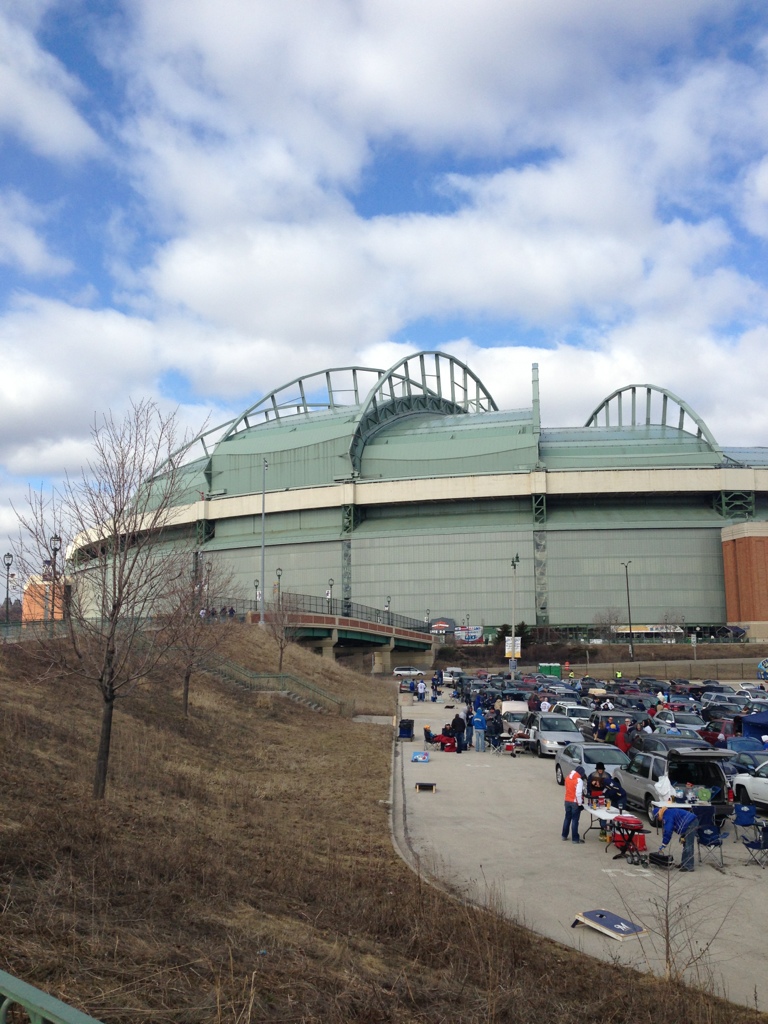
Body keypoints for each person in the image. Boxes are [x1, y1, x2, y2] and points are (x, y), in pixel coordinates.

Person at [655, 805, 698, 871]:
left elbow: (668, 831)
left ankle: (688, 866)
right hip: (687, 823)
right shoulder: (667, 813)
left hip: (690, 823)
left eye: (657, 818)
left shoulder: (667, 816)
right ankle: (684, 863)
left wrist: (664, 844)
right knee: (685, 844)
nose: (658, 819)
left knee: (688, 845)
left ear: (658, 814)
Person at [562, 766, 586, 843]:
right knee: (575, 820)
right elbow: (578, 793)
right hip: (575, 802)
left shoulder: (567, 778)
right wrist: (580, 804)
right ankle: (575, 839)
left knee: (567, 818)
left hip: (567, 800)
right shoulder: (579, 780)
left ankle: (564, 835)